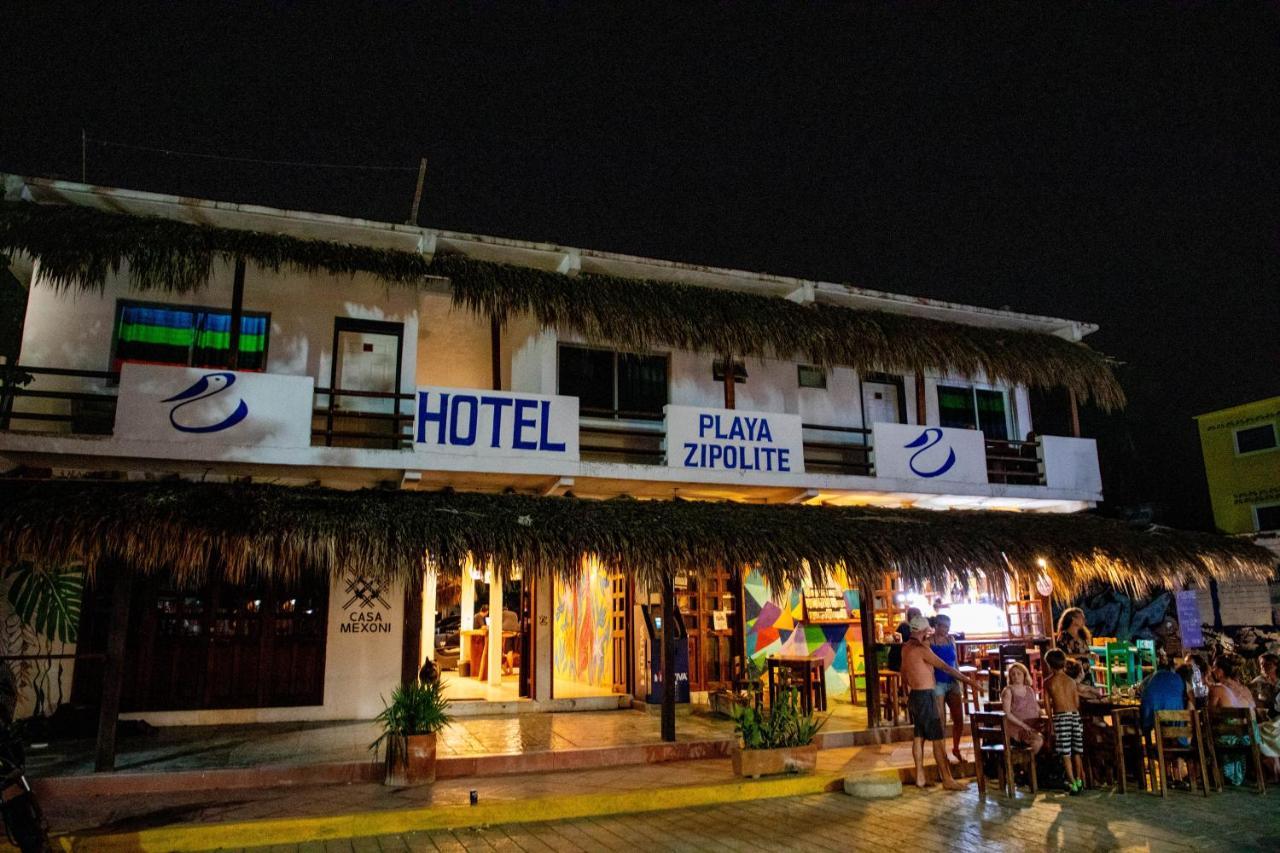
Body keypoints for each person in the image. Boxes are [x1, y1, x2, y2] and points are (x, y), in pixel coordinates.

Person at [900, 615, 978, 791]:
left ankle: (920, 777)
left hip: (915, 695)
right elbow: (945, 667)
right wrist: (970, 681)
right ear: (922, 631)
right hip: (926, 695)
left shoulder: (905, 648)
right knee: (937, 738)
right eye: (927, 630)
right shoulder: (921, 650)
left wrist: (906, 692)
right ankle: (947, 779)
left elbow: (903, 673)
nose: (929, 633)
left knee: (918, 736)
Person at [1208, 655, 1256, 786]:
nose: (1212, 670)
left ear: (1220, 671)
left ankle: (1208, 776)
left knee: (1203, 734)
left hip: (1230, 737)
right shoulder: (1244, 689)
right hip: (1251, 736)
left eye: (1214, 667)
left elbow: (1209, 715)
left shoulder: (1217, 689)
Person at [1045, 648, 1086, 794]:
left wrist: (1051, 721)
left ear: (1049, 665)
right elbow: (1077, 701)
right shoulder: (1071, 681)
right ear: (1064, 663)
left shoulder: (1048, 683)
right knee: (1077, 750)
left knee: (1065, 752)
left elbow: (1047, 705)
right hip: (1075, 716)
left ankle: (1072, 783)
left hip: (1060, 717)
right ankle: (1080, 780)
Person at [930, 613, 965, 763]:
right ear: (936, 626)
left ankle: (956, 748)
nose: (946, 630)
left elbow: (955, 661)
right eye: (944, 626)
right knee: (941, 721)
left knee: (959, 718)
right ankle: (942, 753)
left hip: (952, 680)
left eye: (948, 627)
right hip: (938, 682)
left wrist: (960, 679)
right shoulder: (929, 642)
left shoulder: (951, 640)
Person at [1000, 662, 1044, 753]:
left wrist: (1043, 716)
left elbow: (1035, 706)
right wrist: (1024, 726)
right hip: (1019, 728)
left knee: (1051, 736)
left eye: (1019, 673)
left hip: (1033, 725)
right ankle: (1029, 764)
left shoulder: (1029, 689)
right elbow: (1007, 714)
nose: (1016, 676)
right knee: (1037, 741)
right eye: (1013, 674)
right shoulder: (1008, 691)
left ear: (1024, 675)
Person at [1253, 653, 1280, 780]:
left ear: (1275, 666)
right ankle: (1273, 767)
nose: (1263, 667)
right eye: (1261, 664)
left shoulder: (1278, 681)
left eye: (1267, 664)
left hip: (1275, 716)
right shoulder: (1259, 681)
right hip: (1265, 715)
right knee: (1258, 728)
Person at [1055, 607, 1094, 684]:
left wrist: (1090, 655)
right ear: (1073, 619)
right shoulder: (1064, 636)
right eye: (1081, 617)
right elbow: (1063, 656)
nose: (1084, 620)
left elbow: (1085, 652)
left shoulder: (1082, 635)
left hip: (1086, 673)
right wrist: (1084, 655)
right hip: (1073, 674)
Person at [886, 606, 921, 674]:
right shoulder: (904, 627)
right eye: (915, 615)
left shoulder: (914, 627)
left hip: (902, 659)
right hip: (900, 661)